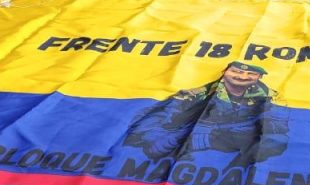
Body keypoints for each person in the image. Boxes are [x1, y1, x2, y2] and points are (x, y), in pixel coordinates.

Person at [123, 61, 288, 168]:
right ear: (225, 73)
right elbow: (168, 110)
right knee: (153, 141)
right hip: (197, 132)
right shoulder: (203, 92)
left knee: (272, 143)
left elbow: (278, 127)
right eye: (236, 71)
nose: (242, 76)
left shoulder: (270, 97)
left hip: (234, 136)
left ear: (259, 77)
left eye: (250, 74)